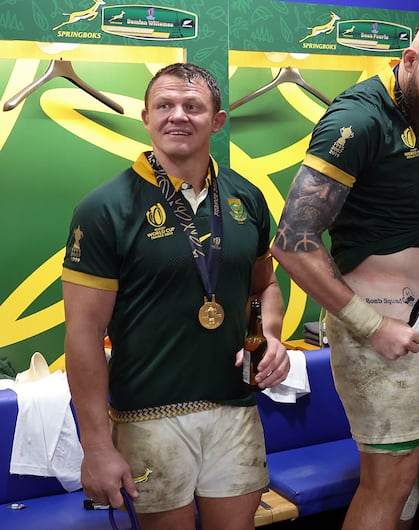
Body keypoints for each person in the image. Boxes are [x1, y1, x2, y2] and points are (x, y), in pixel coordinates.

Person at [270, 10, 419, 530]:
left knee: (411, 478)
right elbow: (292, 242)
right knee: (387, 483)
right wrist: (370, 326)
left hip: (418, 314)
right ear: (408, 60)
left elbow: (410, 209)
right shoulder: (357, 119)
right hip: (376, 327)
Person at [62, 63, 290, 530]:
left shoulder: (246, 197)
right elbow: (84, 334)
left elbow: (264, 286)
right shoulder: (105, 208)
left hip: (235, 408)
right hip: (149, 416)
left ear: (218, 121)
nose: (177, 116)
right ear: (146, 117)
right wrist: (97, 447)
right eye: (164, 106)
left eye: (193, 106)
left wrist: (269, 334)